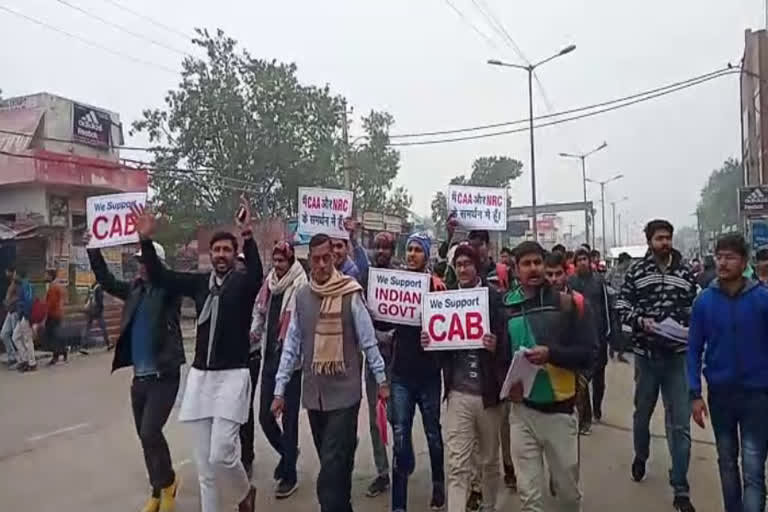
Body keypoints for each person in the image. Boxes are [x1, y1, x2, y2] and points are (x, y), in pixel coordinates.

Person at [133, 198, 262, 512]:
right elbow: (162, 276)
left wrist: (247, 232)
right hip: (202, 377)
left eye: (226, 250)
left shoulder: (243, 284)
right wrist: (146, 240)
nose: (220, 255)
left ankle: (245, 494)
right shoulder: (199, 284)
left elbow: (258, 272)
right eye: (216, 250)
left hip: (233, 375)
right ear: (210, 255)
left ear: (234, 256)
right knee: (205, 467)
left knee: (222, 455)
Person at [270, 233, 388, 512]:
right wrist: (279, 390)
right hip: (314, 395)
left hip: (345, 395)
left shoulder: (350, 292)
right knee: (332, 461)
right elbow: (292, 346)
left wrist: (381, 379)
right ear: (309, 260)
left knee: (329, 473)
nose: (322, 264)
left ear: (334, 258)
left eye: (327, 258)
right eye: (316, 259)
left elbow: (368, 340)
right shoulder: (301, 296)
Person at [86, 233, 184, 512]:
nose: (142, 266)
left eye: (147, 261)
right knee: (144, 437)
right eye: (140, 262)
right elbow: (106, 280)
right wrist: (94, 250)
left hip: (164, 376)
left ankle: (168, 483)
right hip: (140, 378)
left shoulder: (169, 292)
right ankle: (157, 489)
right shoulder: (135, 290)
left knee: (151, 431)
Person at [503, 241, 596, 512]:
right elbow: (499, 358)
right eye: (526, 264)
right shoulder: (505, 306)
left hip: (560, 412)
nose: (533, 269)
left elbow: (589, 354)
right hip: (521, 414)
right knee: (529, 498)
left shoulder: (569, 305)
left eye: (537, 262)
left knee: (568, 496)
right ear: (516, 270)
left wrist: (551, 354)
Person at [616, 219, 698, 512]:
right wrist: (641, 321)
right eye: (659, 238)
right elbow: (622, 306)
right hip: (647, 357)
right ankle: (641, 454)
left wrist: (689, 327)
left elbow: (695, 309)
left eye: (668, 238)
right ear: (649, 241)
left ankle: (680, 489)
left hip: (678, 357)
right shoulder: (637, 272)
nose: (665, 243)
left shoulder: (687, 272)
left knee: (680, 425)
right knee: (643, 414)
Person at [423, 243, 510, 512]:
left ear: (476, 266)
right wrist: (430, 342)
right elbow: (440, 357)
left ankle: (489, 505)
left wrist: (497, 347)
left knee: (488, 461)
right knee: (458, 464)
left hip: (488, 395)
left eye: (467, 264)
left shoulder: (494, 298)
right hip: (458, 393)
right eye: (458, 265)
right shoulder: (445, 301)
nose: (462, 269)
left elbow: (509, 347)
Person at [688, 233, 768, 512]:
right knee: (726, 463)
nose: (722, 262)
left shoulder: (762, 300)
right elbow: (694, 349)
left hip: (758, 396)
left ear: (743, 262)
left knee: (754, 466)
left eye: (730, 257)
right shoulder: (704, 302)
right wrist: (695, 394)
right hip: (720, 396)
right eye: (719, 256)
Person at [391, 233, 446, 512]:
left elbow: (449, 327)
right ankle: (398, 505)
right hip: (400, 374)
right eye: (409, 249)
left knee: (433, 435)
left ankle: (439, 484)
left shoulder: (437, 286)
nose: (412, 254)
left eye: (417, 250)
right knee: (400, 438)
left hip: (428, 375)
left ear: (426, 255)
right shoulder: (395, 284)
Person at [249, 241, 307, 498]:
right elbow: (259, 311)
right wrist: (255, 330)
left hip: (292, 363)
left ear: (291, 261)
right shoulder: (270, 283)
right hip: (270, 357)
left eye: (282, 261)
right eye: (275, 261)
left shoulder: (301, 286)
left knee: (290, 420)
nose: (278, 266)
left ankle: (290, 475)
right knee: (264, 416)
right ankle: (288, 453)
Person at [363, 231, 398, 498]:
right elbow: (360, 314)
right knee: (377, 418)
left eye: (386, 247)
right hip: (374, 353)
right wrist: (378, 337)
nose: (382, 251)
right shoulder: (366, 277)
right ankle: (382, 471)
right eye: (378, 247)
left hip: (399, 357)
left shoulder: (404, 277)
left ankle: (400, 464)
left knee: (399, 415)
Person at [568, 248, 611, 432]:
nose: (583, 262)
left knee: (599, 378)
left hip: (599, 335)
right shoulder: (571, 282)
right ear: (575, 263)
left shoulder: (599, 281)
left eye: (585, 259)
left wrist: (610, 332)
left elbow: (607, 308)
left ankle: (597, 409)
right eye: (579, 260)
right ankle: (584, 419)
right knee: (582, 378)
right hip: (579, 336)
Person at [606, 252, 632, 363]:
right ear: (624, 261)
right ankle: (612, 350)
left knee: (624, 330)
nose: (629, 264)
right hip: (613, 304)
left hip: (624, 304)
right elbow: (605, 284)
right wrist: (612, 292)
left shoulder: (628, 273)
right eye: (628, 262)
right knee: (614, 329)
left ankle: (621, 354)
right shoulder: (612, 271)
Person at [13, 268, 37, 372]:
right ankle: (25, 360)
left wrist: (26, 316)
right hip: (21, 315)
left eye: (14, 273)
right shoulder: (22, 285)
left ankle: (32, 363)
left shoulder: (26, 285)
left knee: (27, 340)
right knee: (16, 337)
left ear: (18, 274)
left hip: (25, 316)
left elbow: (28, 301)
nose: (13, 275)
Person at [81, 280, 111, 352]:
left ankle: (83, 346)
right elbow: (100, 300)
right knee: (103, 327)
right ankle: (108, 344)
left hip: (89, 310)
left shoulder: (92, 287)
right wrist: (101, 309)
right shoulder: (99, 288)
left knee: (87, 328)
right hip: (97, 310)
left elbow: (87, 299)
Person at [45, 269, 66, 365]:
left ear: (50, 276)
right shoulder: (58, 286)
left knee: (52, 335)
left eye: (47, 275)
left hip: (53, 314)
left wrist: (45, 312)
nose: (45, 277)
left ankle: (56, 356)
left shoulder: (53, 287)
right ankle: (62, 351)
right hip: (58, 313)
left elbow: (51, 303)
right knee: (56, 335)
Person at [1, 265, 20, 368]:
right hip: (10, 312)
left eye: (7, 271)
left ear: (12, 272)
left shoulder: (17, 283)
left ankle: (20, 359)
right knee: (4, 334)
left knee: (16, 336)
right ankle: (12, 357)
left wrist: (10, 301)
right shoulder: (11, 283)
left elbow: (19, 296)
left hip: (15, 311)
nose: (5, 273)